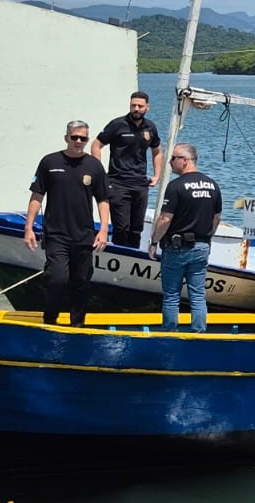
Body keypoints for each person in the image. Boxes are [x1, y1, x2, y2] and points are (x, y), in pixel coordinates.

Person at [24, 120, 110, 325]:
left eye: (83, 138)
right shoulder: (49, 162)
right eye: (75, 137)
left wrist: (104, 229)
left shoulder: (94, 165)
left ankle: (77, 325)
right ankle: (50, 320)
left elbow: (103, 200)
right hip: (56, 235)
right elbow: (37, 196)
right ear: (66, 138)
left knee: (81, 283)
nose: (78, 141)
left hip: (84, 235)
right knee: (57, 279)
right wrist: (28, 227)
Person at [147, 144, 221, 332]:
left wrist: (154, 242)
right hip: (202, 246)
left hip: (177, 247)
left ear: (185, 161)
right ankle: (199, 334)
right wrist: (207, 238)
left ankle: (169, 334)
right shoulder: (212, 184)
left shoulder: (176, 186)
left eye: (173, 158)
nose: (170, 162)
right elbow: (217, 218)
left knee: (172, 295)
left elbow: (165, 219)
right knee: (197, 295)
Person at [92, 91, 162, 248]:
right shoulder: (117, 124)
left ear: (147, 107)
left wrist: (157, 175)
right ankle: (120, 254)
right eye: (133, 105)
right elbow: (96, 145)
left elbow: (157, 151)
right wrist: (100, 173)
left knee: (136, 229)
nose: (136, 109)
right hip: (118, 182)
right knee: (122, 227)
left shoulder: (150, 127)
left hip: (140, 183)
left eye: (140, 106)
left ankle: (133, 256)